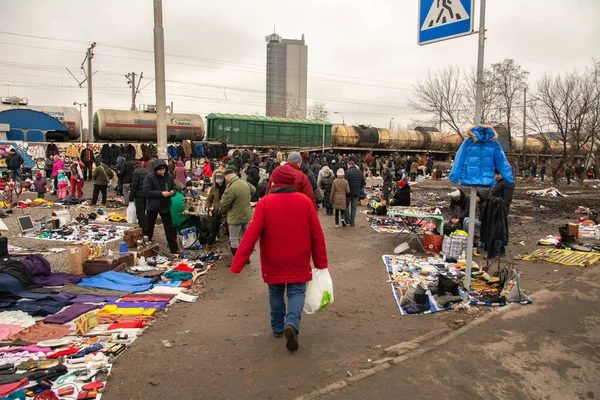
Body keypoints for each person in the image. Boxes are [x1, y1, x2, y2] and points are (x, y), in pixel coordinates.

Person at [230, 164, 328, 352]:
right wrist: (320, 262)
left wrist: (238, 262)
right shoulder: (305, 202)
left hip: (273, 258)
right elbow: (317, 234)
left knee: (275, 292)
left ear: (274, 181)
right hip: (299, 257)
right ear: (292, 182)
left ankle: (277, 328)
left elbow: (251, 234)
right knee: (297, 292)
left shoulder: (265, 203)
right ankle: (291, 323)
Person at [143, 159, 179, 254]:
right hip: (152, 206)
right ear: (155, 170)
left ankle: (174, 248)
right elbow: (147, 191)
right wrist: (161, 193)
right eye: (160, 170)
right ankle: (145, 248)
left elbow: (174, 187)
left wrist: (173, 192)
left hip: (165, 205)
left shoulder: (169, 176)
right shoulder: (149, 177)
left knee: (169, 228)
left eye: (163, 170)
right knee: (149, 228)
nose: (162, 172)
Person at [219, 168, 255, 257]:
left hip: (235, 216)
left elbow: (224, 204)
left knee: (233, 238)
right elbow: (253, 190)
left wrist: (223, 211)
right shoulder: (244, 183)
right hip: (246, 215)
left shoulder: (231, 188)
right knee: (244, 238)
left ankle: (237, 260)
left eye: (225, 178)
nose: (226, 180)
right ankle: (246, 258)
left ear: (227, 177)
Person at [205, 170, 227, 251]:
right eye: (218, 181)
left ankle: (236, 254)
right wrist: (207, 207)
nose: (219, 183)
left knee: (231, 235)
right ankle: (207, 250)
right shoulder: (214, 188)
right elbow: (209, 199)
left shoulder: (228, 187)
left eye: (221, 181)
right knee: (212, 234)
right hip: (216, 214)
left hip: (227, 214)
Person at [129, 163, 149, 233]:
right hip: (147, 195)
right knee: (147, 211)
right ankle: (148, 226)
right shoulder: (147, 172)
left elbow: (134, 185)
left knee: (140, 213)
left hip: (139, 196)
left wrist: (131, 197)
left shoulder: (136, 173)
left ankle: (143, 228)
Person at [344, 160, 365, 227]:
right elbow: (363, 183)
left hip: (348, 193)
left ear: (349, 165)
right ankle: (352, 222)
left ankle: (347, 220)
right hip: (356, 193)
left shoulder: (347, 172)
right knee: (354, 208)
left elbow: (345, 183)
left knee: (346, 206)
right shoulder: (360, 172)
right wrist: (358, 188)